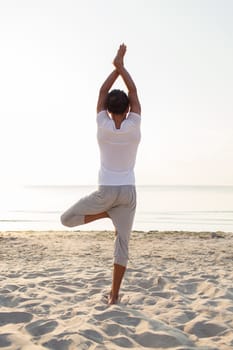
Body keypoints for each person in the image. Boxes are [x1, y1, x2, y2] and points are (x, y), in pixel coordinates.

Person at [60, 44, 141, 304]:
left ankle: (107, 213)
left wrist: (115, 68)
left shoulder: (102, 124)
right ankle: (114, 296)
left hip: (106, 192)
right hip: (127, 193)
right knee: (122, 247)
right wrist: (121, 66)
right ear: (128, 110)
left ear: (107, 108)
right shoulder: (134, 125)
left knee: (67, 219)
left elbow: (103, 91)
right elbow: (134, 91)